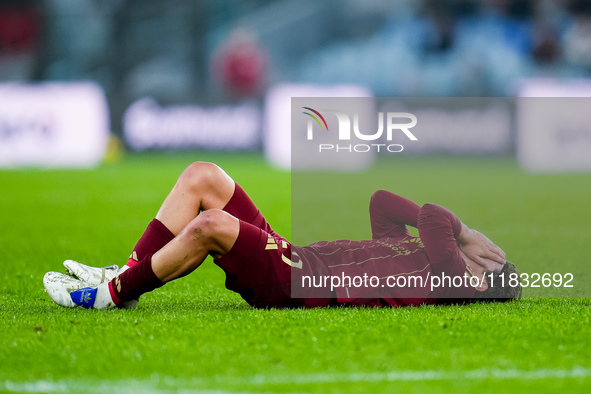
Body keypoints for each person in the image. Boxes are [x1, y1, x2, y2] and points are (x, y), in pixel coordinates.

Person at [44, 162, 521, 310]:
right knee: (203, 176)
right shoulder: (423, 255)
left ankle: (111, 294)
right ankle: (128, 270)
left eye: (492, 259)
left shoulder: (455, 281)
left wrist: (467, 233)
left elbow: (436, 216)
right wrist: (460, 236)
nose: (484, 254)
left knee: (210, 227)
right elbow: (381, 201)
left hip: (300, 284)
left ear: (485, 278)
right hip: (296, 258)